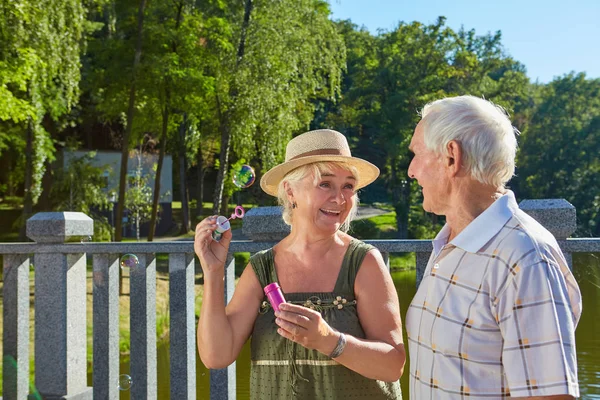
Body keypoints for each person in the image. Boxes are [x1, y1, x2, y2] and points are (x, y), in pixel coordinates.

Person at [195, 129, 405, 399]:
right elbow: (216, 356)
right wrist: (213, 273)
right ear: (290, 190)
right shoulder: (262, 268)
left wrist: (329, 341)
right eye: (325, 184)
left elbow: (392, 365)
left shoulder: (363, 262)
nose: (340, 198)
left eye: (348, 186)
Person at [405, 95, 582, 399]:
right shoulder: (450, 243)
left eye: (417, 154)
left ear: (451, 157)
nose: (411, 170)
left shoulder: (525, 257)